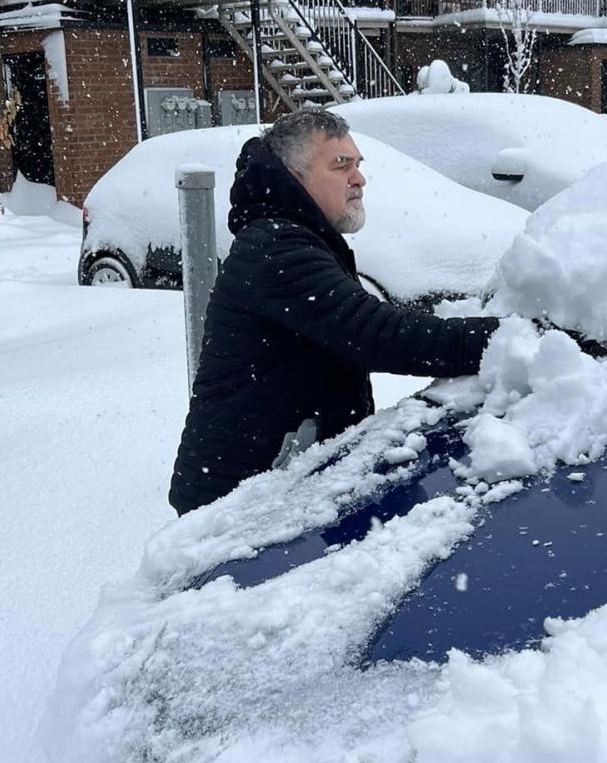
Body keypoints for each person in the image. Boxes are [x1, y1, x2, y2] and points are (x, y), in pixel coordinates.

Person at [169, 108, 499, 515]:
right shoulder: (276, 248)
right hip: (233, 510)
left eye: (358, 165)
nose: (359, 179)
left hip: (273, 485)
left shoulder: (296, 237)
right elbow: (378, 335)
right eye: (342, 165)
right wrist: (507, 338)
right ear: (295, 175)